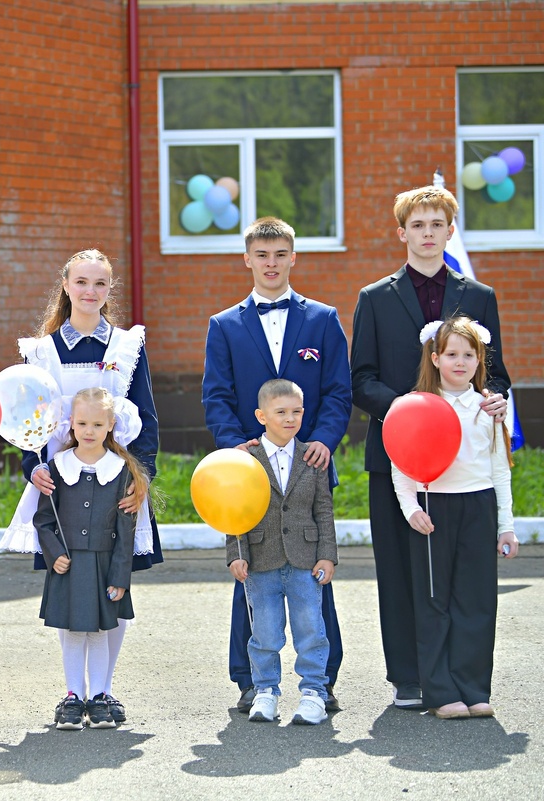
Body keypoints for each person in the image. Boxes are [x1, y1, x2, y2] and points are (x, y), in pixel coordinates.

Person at [351, 185, 511, 710]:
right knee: (402, 569)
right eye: (417, 225)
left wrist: (495, 399)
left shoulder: (479, 296)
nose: (427, 233)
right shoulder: (375, 297)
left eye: (436, 225)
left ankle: (461, 678)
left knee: (459, 578)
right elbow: (361, 379)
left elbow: (497, 374)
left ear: (449, 231)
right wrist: (412, 413)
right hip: (398, 457)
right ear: (402, 232)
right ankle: (409, 676)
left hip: (465, 465)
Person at [1, 247, 160, 724]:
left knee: (115, 587)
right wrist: (31, 466)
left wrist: (142, 478)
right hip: (62, 488)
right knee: (71, 587)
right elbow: (25, 415)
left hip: (117, 485)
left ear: (110, 290)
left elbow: (147, 418)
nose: (90, 291)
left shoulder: (127, 348)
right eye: (82, 282)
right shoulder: (41, 351)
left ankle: (104, 691)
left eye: (100, 283)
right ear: (66, 286)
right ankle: (74, 692)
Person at [201, 217, 350, 714]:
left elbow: (338, 391)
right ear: (247, 259)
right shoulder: (224, 325)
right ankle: (250, 680)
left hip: (308, 467)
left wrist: (323, 440)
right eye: (262, 255)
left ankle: (322, 679)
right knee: (250, 572)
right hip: (248, 471)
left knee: (314, 573)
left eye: (280, 254)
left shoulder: (323, 319)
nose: (271, 263)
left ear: (293, 257)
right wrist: (235, 450)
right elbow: (217, 396)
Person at [390, 317, 518, 719]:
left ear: (480, 360)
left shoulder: (490, 408)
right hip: (433, 509)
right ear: (435, 358)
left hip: (478, 507)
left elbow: (500, 469)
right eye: (451, 354)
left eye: (468, 355)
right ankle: (441, 692)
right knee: (434, 601)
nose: (460, 362)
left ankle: (473, 688)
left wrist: (506, 525)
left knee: (476, 601)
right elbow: (401, 463)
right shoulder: (415, 405)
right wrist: (411, 508)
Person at [226, 379, 337, 725]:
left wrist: (327, 554)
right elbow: (234, 509)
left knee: (311, 630)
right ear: (261, 416)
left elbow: (323, 509)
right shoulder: (247, 459)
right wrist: (236, 553)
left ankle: (314, 692)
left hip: (305, 560)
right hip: (261, 560)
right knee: (265, 633)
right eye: (281, 412)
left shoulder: (312, 457)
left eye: (297, 412)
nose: (290, 419)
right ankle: (265, 691)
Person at [33, 388, 142, 731]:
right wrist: (54, 554)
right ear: (71, 423)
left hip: (103, 568)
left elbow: (126, 530)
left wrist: (120, 577)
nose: (89, 431)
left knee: (98, 633)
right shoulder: (58, 466)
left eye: (97, 424)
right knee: (72, 632)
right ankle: (72, 698)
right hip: (68, 567)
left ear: (110, 425)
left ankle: (98, 697)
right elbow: (43, 520)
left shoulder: (121, 470)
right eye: (82, 423)